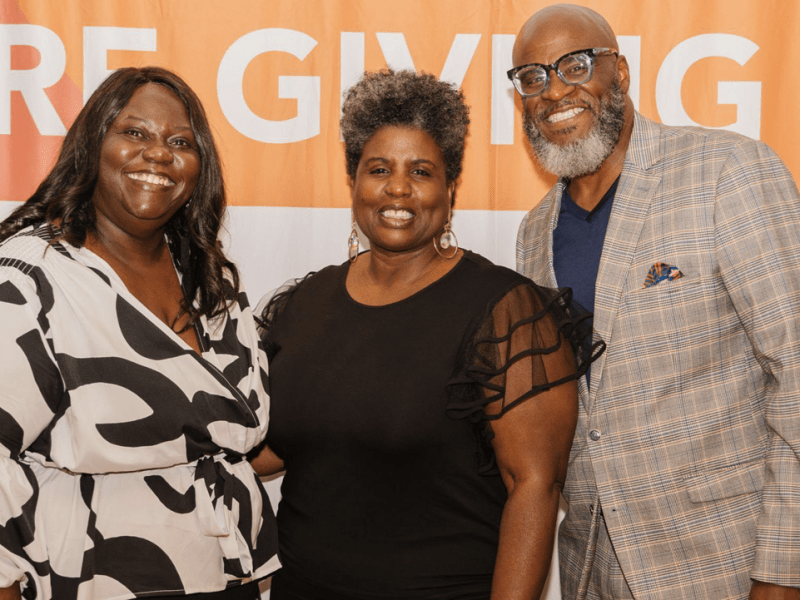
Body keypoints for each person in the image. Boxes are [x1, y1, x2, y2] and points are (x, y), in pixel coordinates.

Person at [249, 68, 602, 600]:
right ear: (354, 182)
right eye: (378, 169)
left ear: (449, 187)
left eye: (421, 170)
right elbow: (270, 450)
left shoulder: (505, 313)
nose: (398, 188)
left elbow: (535, 487)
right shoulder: (304, 304)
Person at [510, 5, 800, 600]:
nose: (554, 90)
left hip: (725, 561)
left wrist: (781, 571)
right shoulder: (535, 231)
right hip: (592, 566)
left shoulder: (726, 171)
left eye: (575, 65)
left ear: (619, 72)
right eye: (533, 77)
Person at [0, 67, 279, 600]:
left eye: (180, 142)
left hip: (225, 576)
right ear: (91, 145)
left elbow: (239, 437)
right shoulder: (29, 276)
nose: (158, 154)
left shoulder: (209, 283)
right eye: (134, 133)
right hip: (93, 576)